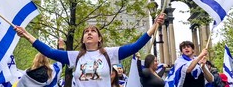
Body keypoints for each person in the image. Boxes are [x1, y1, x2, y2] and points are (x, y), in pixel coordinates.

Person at [15, 13, 165, 87]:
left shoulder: (110, 53)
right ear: (82, 39)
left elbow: (135, 46)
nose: (89, 33)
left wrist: (155, 25)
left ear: (99, 38)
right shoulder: (75, 56)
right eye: (86, 32)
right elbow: (48, 52)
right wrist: (27, 35)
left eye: (93, 31)